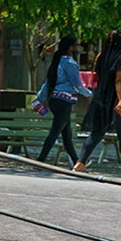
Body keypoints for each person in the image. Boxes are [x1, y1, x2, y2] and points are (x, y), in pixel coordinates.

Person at [75, 29, 121, 179]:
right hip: (117, 104)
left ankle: (80, 163)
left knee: (96, 133)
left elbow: (102, 78)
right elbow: (118, 80)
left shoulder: (101, 57)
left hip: (100, 100)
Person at [35, 35, 85, 167]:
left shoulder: (57, 61)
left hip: (55, 100)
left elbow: (48, 82)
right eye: (76, 45)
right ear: (71, 47)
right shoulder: (70, 63)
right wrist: (90, 94)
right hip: (65, 100)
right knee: (55, 132)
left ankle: (77, 163)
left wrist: (39, 98)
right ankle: (40, 160)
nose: (78, 47)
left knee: (67, 135)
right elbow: (77, 85)